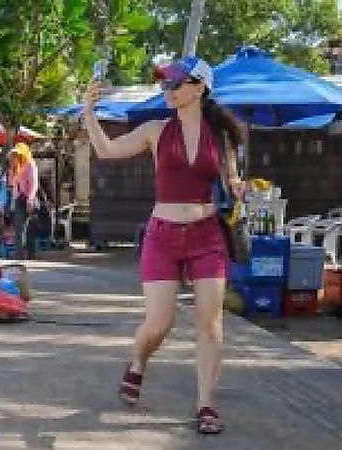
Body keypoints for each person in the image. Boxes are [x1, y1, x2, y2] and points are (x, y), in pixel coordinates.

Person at [83, 56, 243, 434]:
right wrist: (89, 112)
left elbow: (233, 179)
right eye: (165, 84)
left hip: (207, 235)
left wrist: (239, 188)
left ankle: (206, 404)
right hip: (163, 235)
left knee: (210, 322)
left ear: (199, 87)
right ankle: (137, 360)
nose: (167, 90)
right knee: (159, 323)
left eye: (175, 83)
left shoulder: (220, 137)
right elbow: (106, 150)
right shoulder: (156, 130)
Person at [8, 142, 39, 260]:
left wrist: (30, 200)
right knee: (18, 227)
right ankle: (19, 254)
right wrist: (12, 169)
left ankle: (32, 254)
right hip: (18, 198)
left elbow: (34, 183)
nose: (15, 157)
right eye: (14, 155)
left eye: (17, 154)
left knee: (30, 227)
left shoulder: (30, 165)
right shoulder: (16, 167)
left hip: (29, 198)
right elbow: (11, 183)